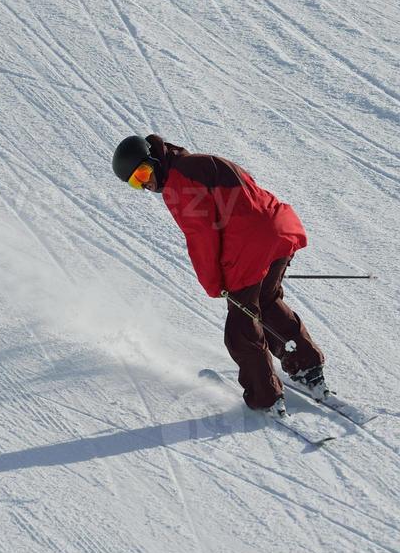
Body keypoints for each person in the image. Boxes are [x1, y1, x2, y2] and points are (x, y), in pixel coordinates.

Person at [112, 134, 328, 414]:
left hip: (250, 243)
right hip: (280, 229)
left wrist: (213, 283)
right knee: (265, 300)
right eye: (135, 183)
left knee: (241, 327)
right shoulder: (200, 163)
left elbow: (202, 235)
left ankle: (266, 398)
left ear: (153, 159)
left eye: (143, 173)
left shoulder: (179, 182)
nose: (145, 184)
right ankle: (307, 365)